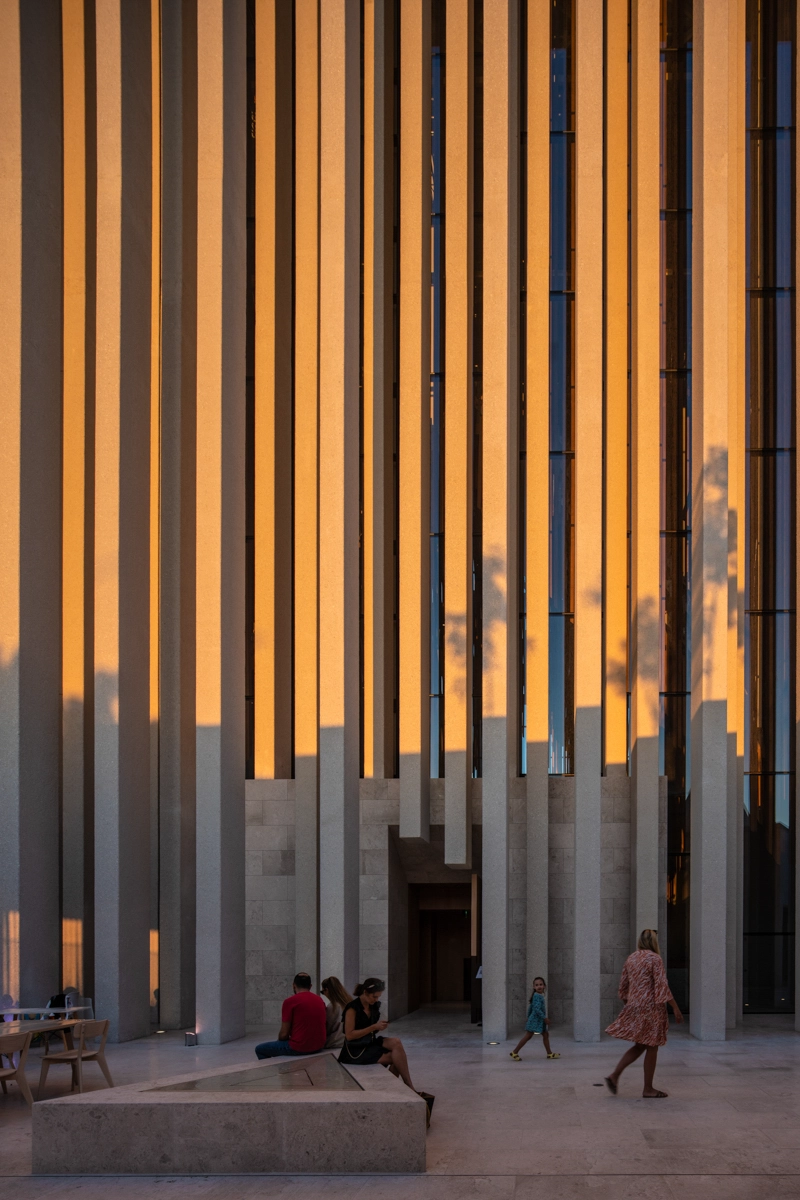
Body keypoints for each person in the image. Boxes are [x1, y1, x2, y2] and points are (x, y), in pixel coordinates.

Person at [604, 929, 683, 1098]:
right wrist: (675, 1007)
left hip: (635, 1006)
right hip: (651, 1008)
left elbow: (623, 987)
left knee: (640, 1045)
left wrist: (631, 1004)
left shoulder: (631, 958)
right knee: (652, 1046)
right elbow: (662, 986)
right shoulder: (655, 958)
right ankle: (648, 1089)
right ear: (654, 942)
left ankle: (615, 1076)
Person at [338, 977, 434, 1116]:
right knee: (395, 1058)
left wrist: (379, 1027)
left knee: (396, 1042)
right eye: (374, 996)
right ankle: (398, 1089)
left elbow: (372, 1029)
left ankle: (407, 1086)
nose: (376, 999)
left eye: (378, 997)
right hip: (355, 1050)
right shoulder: (352, 1008)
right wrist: (373, 1027)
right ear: (365, 992)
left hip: (369, 1041)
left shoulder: (373, 1006)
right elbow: (350, 1035)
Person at [255, 972, 326, 1059]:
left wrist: (280, 1043)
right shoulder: (319, 999)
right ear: (310, 986)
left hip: (300, 1047)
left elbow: (284, 1034)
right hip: (319, 1045)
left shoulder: (290, 1002)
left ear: (293, 985)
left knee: (260, 1049)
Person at [509, 976, 560, 1060]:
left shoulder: (538, 996)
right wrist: (544, 1018)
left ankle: (549, 1053)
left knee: (545, 1034)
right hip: (536, 1020)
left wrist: (529, 1017)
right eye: (537, 985)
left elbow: (531, 1008)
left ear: (544, 986)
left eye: (541, 984)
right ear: (534, 987)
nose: (539, 986)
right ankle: (515, 1052)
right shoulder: (537, 996)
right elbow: (536, 1009)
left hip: (538, 1020)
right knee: (528, 1036)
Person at [320, 976, 352, 1049]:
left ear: (327, 990)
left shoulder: (333, 1007)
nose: (324, 995)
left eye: (322, 992)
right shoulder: (350, 1003)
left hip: (335, 1043)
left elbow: (327, 1028)